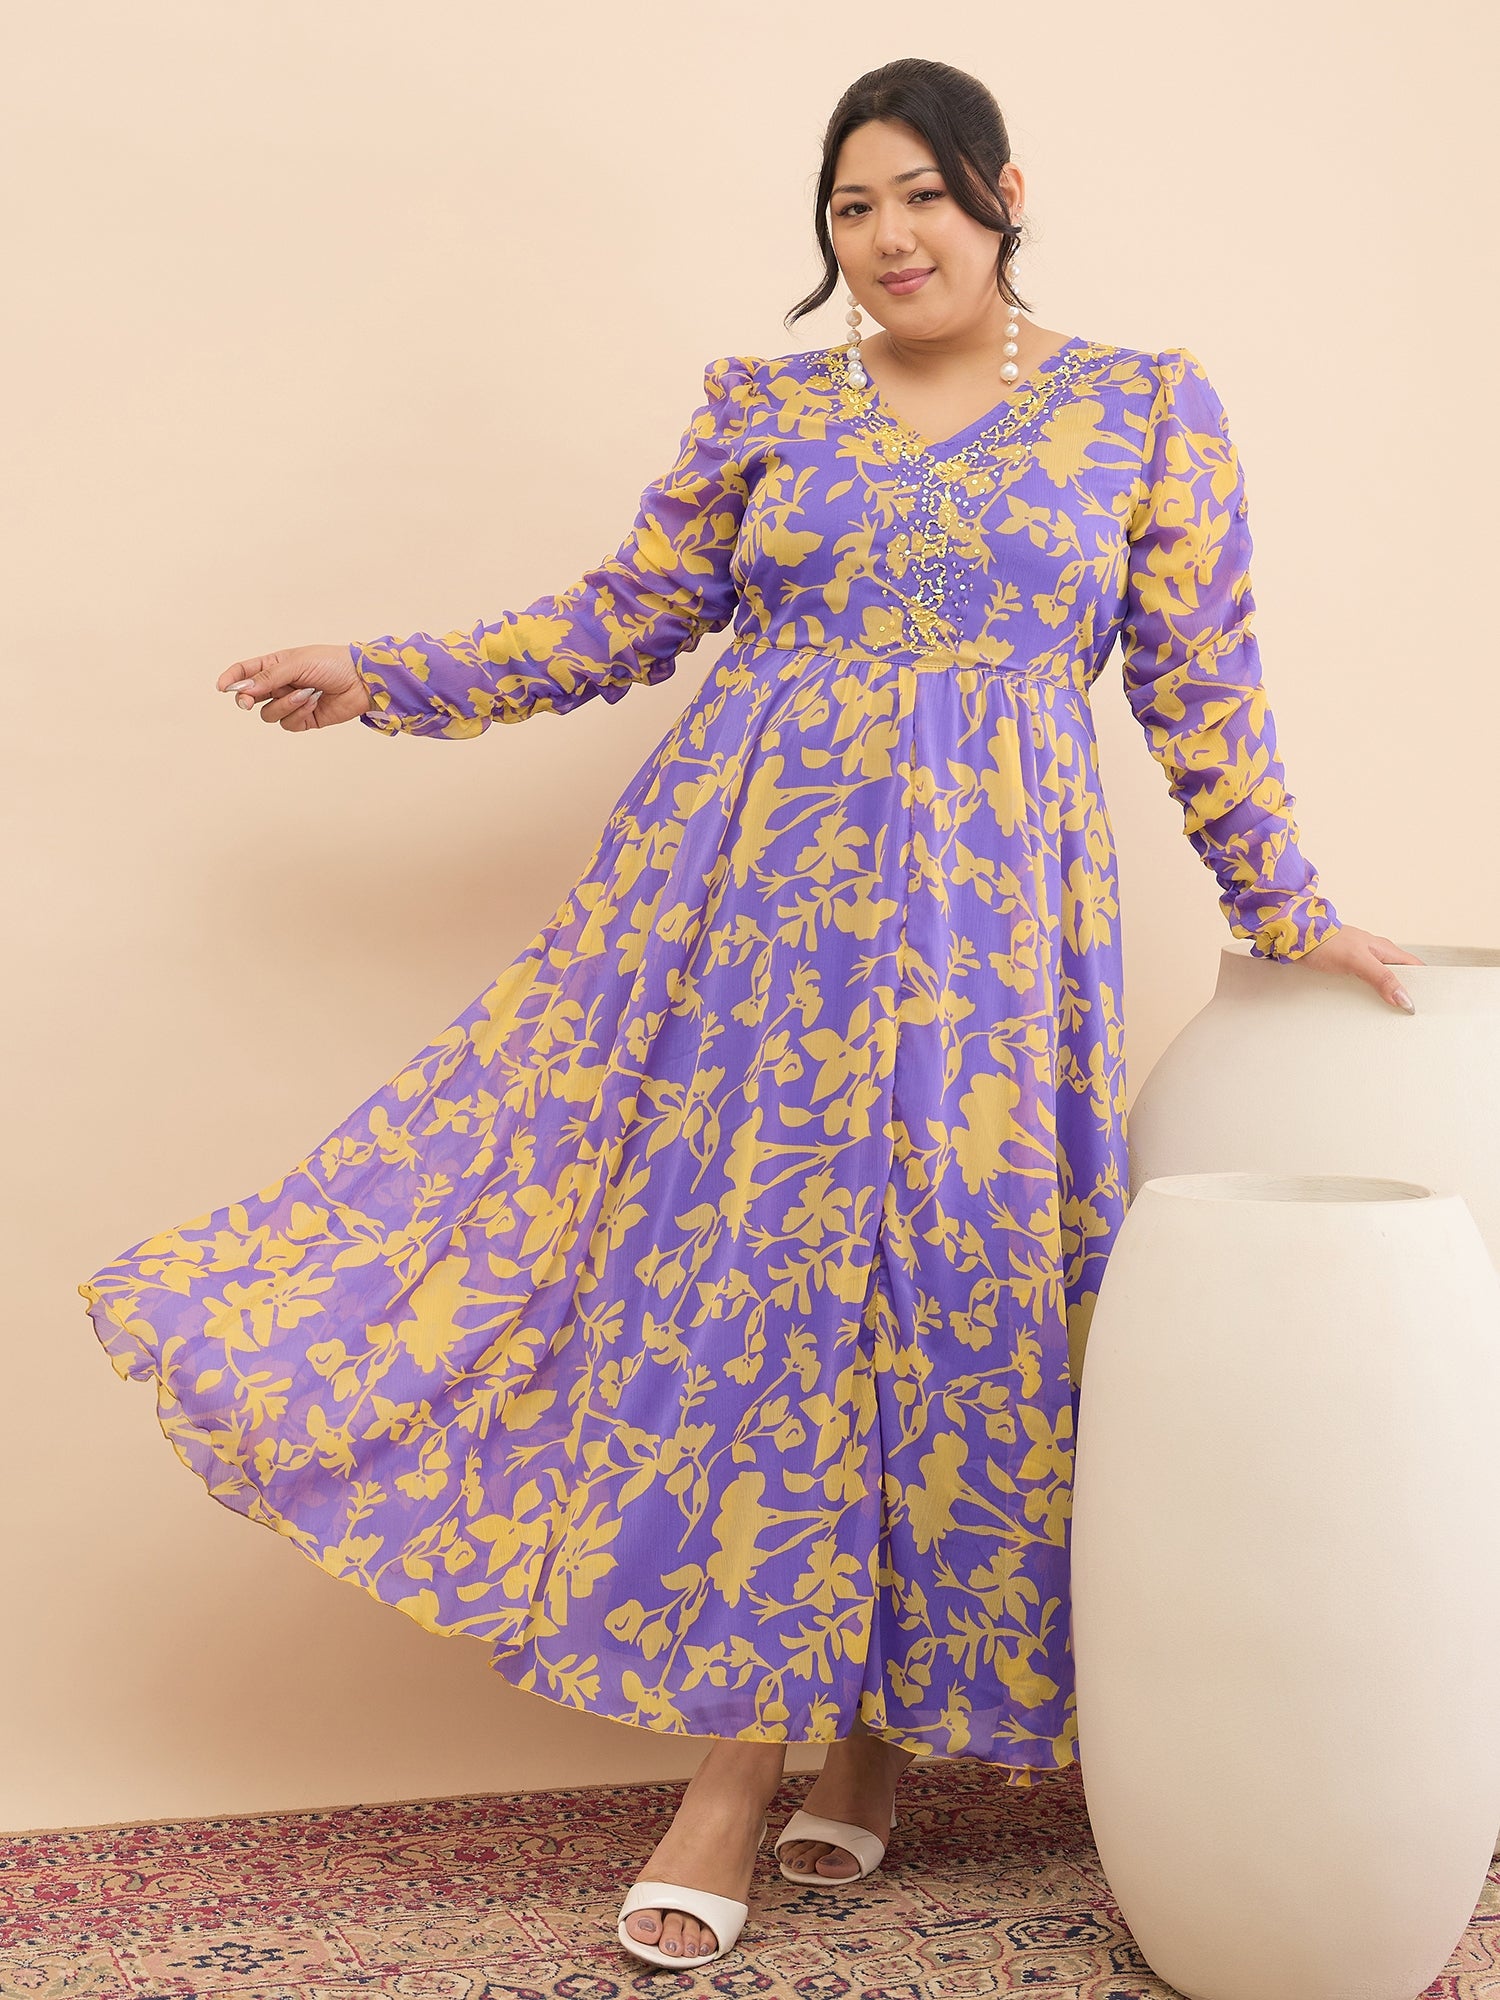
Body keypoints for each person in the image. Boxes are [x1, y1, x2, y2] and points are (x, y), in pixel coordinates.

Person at [78, 54, 1422, 1974]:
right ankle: (732, 1771)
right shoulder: (766, 407)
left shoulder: (1142, 408)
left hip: (987, 943)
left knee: (950, 1300)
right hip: (751, 925)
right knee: (766, 1301)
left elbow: (1203, 684)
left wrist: (1290, 910)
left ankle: (866, 1743)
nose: (889, 237)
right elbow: (617, 618)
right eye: (852, 208)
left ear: (1005, 191)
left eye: (924, 195)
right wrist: (388, 675)